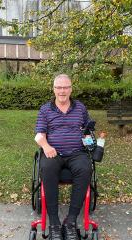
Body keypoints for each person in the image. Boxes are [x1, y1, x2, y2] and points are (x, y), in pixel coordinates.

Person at [34, 74, 92, 240]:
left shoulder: (80, 108)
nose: (62, 91)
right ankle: (54, 224)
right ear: (53, 89)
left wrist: (91, 142)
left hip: (76, 152)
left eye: (65, 87)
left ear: (71, 89)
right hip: (54, 151)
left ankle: (71, 221)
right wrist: (46, 146)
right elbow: (39, 135)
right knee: (47, 167)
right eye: (58, 87)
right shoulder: (45, 109)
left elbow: (88, 130)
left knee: (85, 168)